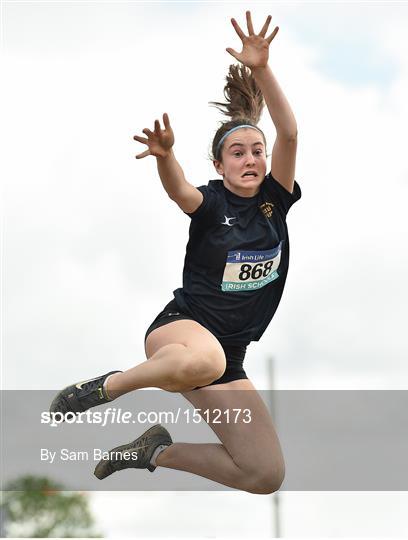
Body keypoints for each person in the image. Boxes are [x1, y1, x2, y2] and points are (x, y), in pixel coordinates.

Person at [50, 11, 301, 495]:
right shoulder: (211, 203)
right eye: (238, 153)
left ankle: (155, 451)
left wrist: (263, 69)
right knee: (202, 360)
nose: (251, 159)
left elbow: (289, 133)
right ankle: (104, 388)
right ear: (219, 164)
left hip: (228, 357)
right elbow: (179, 191)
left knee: (265, 473)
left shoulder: (276, 200)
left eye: (257, 150)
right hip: (180, 333)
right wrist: (166, 158)